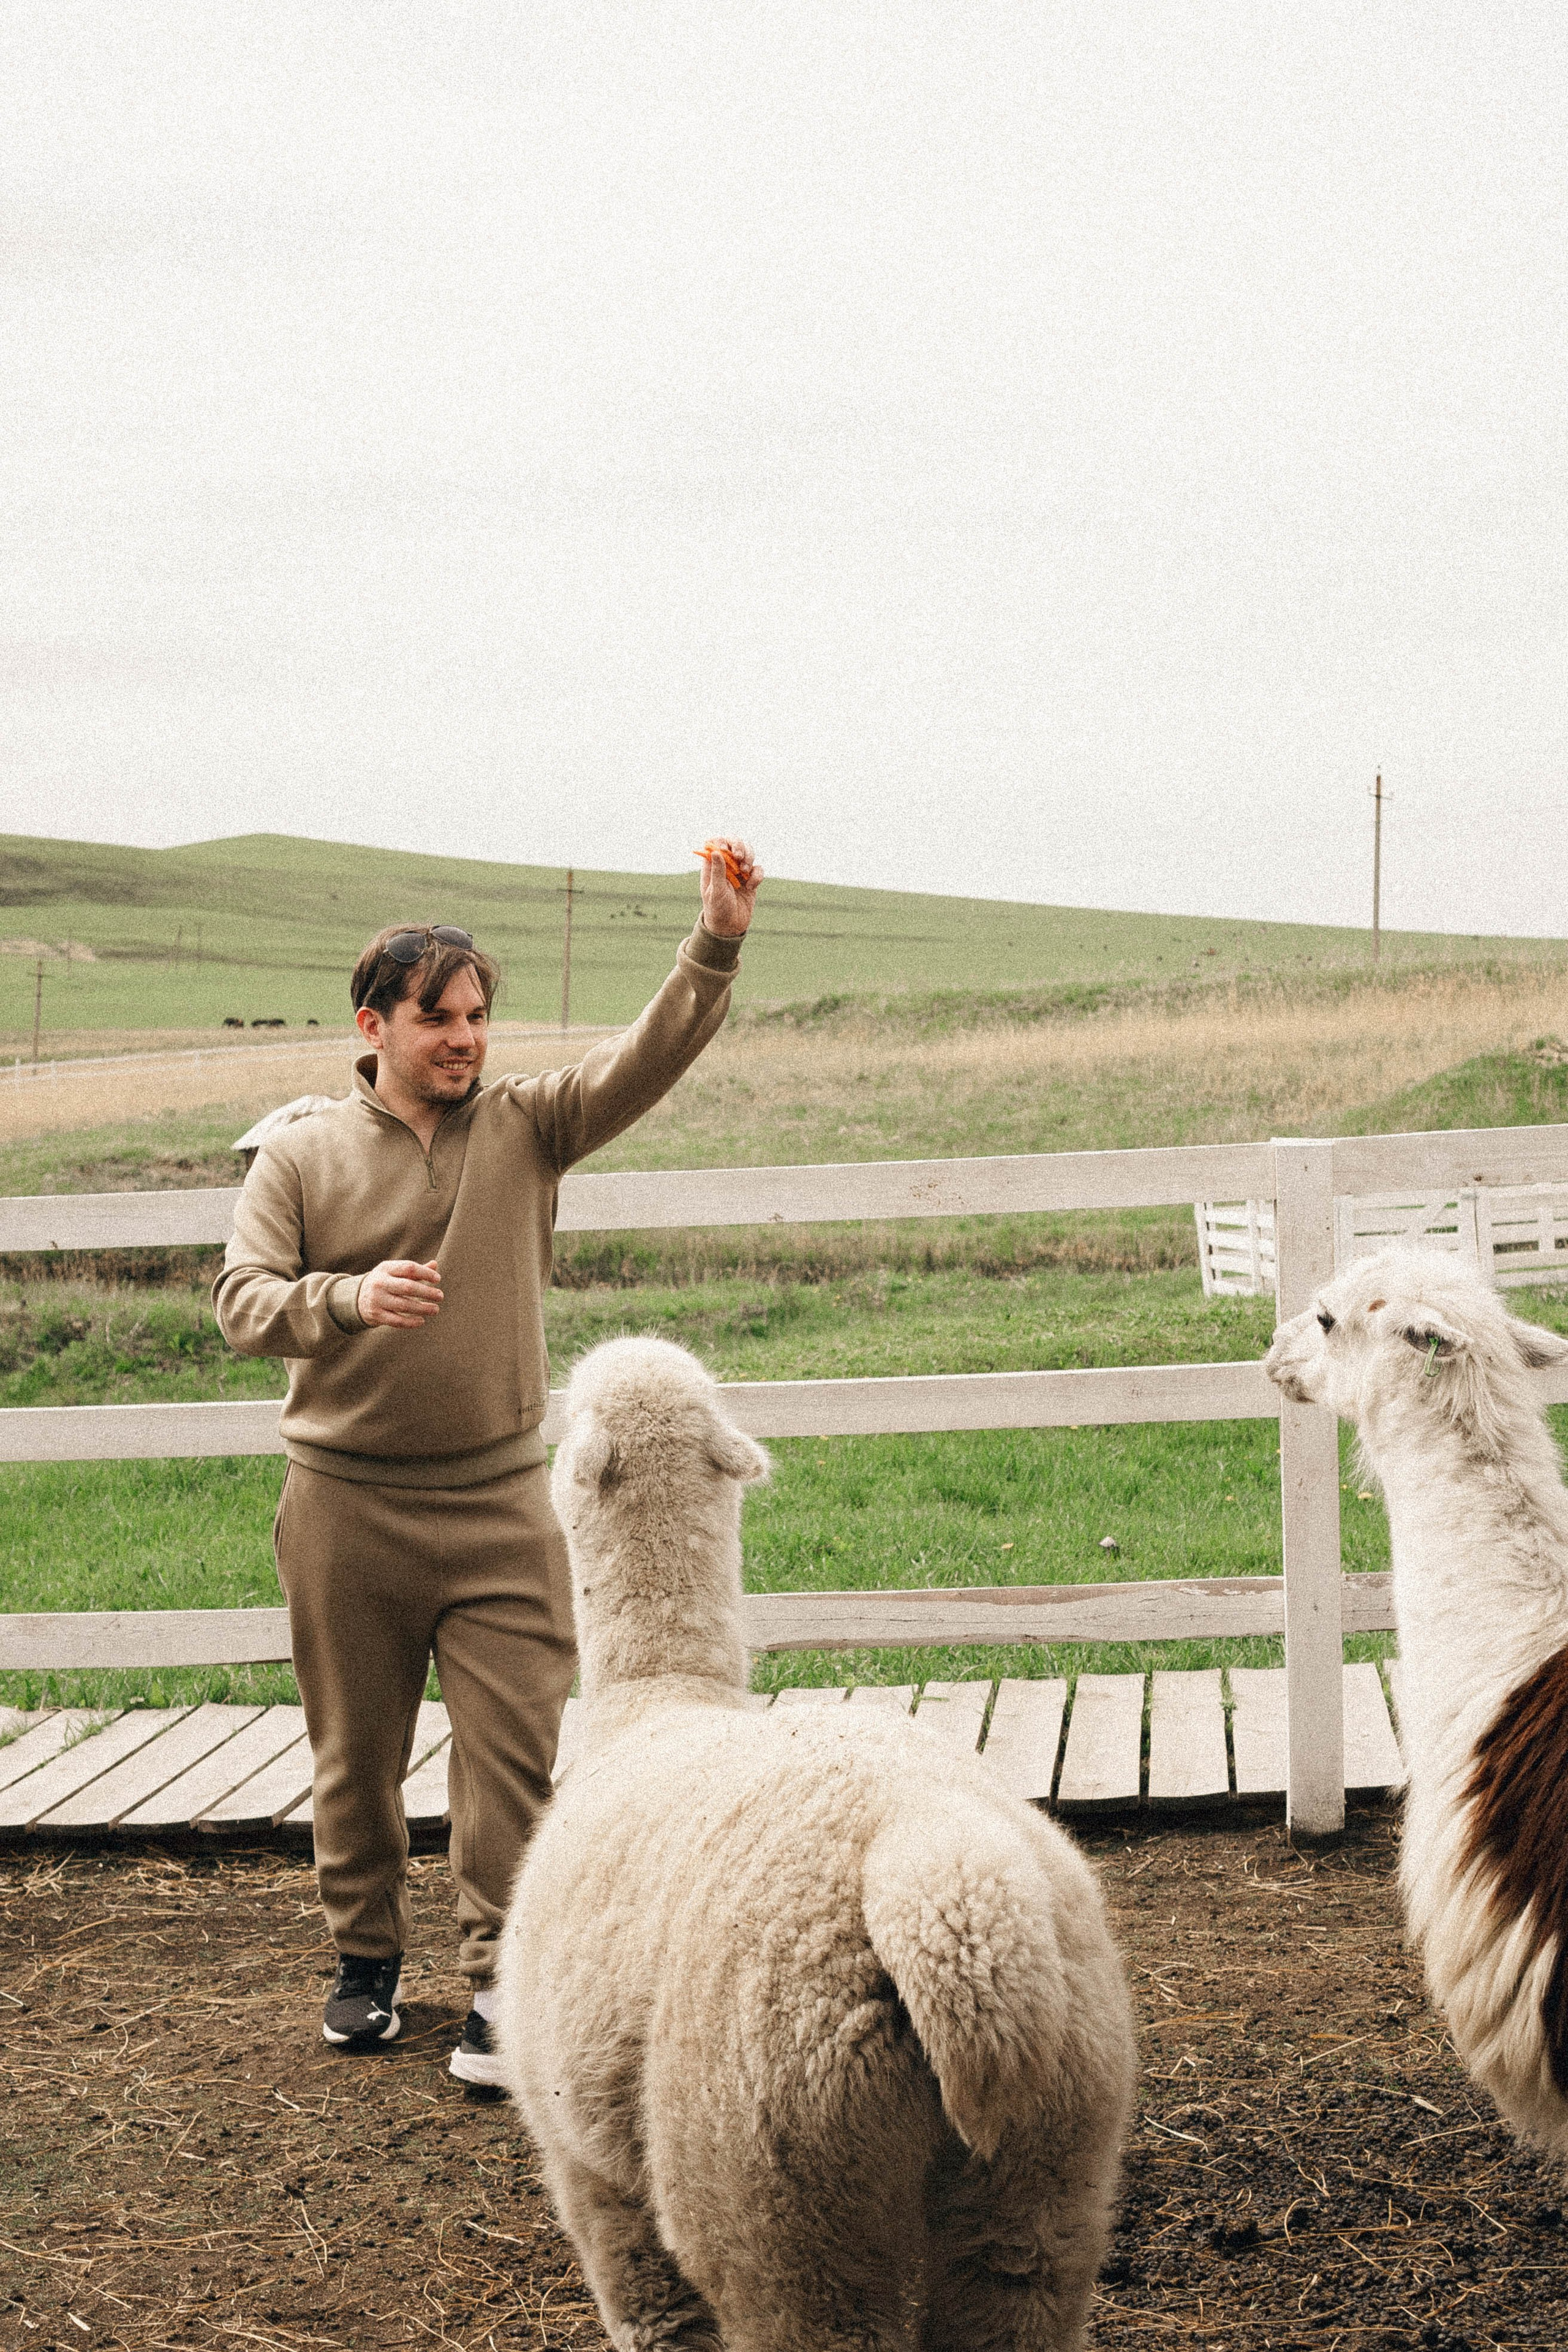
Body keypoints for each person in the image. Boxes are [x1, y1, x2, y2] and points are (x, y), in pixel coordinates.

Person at [213, 841, 761, 2086]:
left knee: (509, 1751)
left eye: (476, 1016)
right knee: (353, 1754)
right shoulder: (301, 1155)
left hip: (504, 1500)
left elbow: (647, 1057)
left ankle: (503, 1982)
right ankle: (363, 1963)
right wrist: (349, 1297)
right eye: (438, 1017)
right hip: (345, 1507)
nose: (464, 1038)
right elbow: (242, 1301)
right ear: (375, 1024)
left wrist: (713, 944)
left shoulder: (529, 1125)